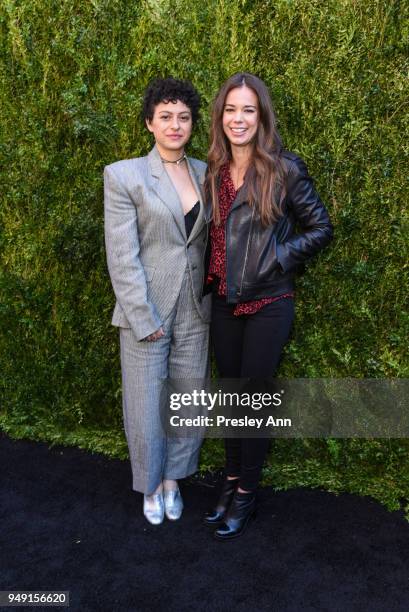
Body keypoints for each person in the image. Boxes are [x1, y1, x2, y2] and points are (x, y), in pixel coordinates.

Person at [203, 72, 333, 540]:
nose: (239, 119)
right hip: (222, 302)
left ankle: (247, 494)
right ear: (221, 115)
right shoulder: (213, 170)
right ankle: (232, 480)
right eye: (231, 110)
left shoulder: (284, 168)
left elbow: (321, 228)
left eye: (249, 110)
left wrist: (277, 257)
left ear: (262, 117)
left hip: (268, 302)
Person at [104, 77, 210, 525]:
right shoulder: (124, 175)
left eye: (183, 117)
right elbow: (122, 256)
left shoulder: (207, 172)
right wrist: (142, 316)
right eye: (165, 116)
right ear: (150, 123)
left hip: (196, 308)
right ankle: (149, 485)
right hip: (145, 309)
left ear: (192, 125)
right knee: (146, 404)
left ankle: (172, 479)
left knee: (190, 397)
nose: (175, 125)